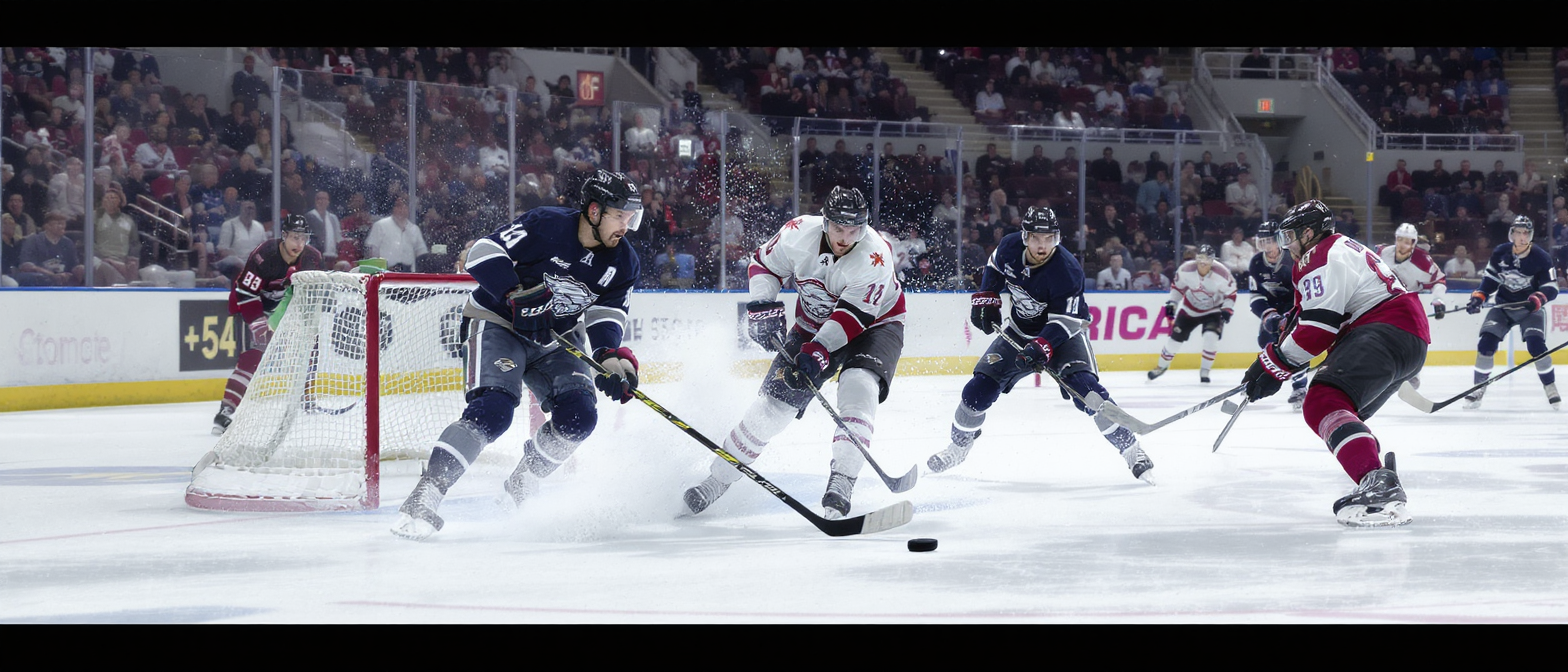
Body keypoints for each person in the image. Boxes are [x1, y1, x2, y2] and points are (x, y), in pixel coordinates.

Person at [391, 170, 644, 541]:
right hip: (498, 322)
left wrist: (609, 359)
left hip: (556, 338)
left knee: (580, 416)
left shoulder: (624, 262)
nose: (627, 225)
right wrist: (516, 294)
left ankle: (523, 480)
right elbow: (482, 253)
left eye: (631, 217)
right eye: (620, 215)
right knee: (492, 411)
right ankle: (427, 493)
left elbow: (606, 315)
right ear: (593, 210)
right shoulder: (546, 224)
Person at [681, 187, 906, 520]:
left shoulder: (875, 255)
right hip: (813, 323)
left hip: (876, 325)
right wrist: (762, 303)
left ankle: (843, 479)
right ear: (825, 221)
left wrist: (818, 350)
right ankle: (717, 480)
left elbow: (854, 317)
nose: (846, 238)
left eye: (855, 229)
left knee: (859, 386)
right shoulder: (798, 232)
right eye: (839, 228)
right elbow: (764, 265)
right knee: (773, 407)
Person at [926, 206, 1154, 483]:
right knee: (976, 392)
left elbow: (1065, 322)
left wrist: (1042, 346)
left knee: (1089, 393)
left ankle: (1132, 450)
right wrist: (986, 297)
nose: (1043, 245)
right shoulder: (1009, 246)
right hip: (1019, 332)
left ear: (1057, 238)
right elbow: (994, 266)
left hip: (1064, 336)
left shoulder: (1068, 270)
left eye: (1049, 238)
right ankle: (958, 448)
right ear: (1025, 237)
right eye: (1036, 238)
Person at [1240, 200, 1428, 527]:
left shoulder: (1320, 255)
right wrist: (1282, 345)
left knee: (1322, 402)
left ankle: (1377, 482)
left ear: (1309, 232)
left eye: (1291, 236)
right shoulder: (1337, 249)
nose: (1287, 245)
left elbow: (1318, 329)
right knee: (1343, 414)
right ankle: (1372, 472)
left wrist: (1273, 366)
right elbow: (1313, 317)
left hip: (1383, 331)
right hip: (1405, 336)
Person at [210, 214, 325, 434]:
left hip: (282, 308)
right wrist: (258, 323)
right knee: (252, 357)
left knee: (312, 342)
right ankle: (224, 413)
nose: (299, 244)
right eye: (294, 237)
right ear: (284, 236)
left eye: (304, 238)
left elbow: (314, 293)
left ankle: (307, 397)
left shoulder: (313, 258)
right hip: (249, 305)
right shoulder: (265, 255)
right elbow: (245, 291)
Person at [1461, 215, 1560, 410]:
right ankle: (1478, 388)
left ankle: (1550, 386)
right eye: (1518, 232)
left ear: (1530, 235)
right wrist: (1479, 297)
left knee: (1536, 346)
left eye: (1526, 233)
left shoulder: (1541, 257)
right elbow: (1490, 280)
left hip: (1530, 309)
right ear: (1511, 234)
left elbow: (1552, 287)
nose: (1522, 237)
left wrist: (1538, 298)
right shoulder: (1500, 252)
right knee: (1486, 344)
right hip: (1503, 307)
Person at [1147, 244, 1237, 383]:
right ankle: (1161, 366)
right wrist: (1172, 303)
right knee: (1174, 340)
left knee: (1211, 337)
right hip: (1190, 309)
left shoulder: (1223, 274)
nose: (1202, 262)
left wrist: (1227, 309)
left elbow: (1231, 293)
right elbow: (1177, 288)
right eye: (1200, 258)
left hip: (1213, 310)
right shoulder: (1185, 270)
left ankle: (1205, 372)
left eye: (1206, 259)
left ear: (1213, 261)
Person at [1246, 220, 1308, 410]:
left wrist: (1293, 313)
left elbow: (1304, 289)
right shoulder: (1257, 262)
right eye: (1262, 242)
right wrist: (1268, 315)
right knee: (1265, 340)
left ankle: (1299, 386)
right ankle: (1259, 379)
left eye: (1269, 241)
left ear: (1279, 241)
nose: (1266, 247)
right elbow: (1255, 296)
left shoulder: (1296, 258)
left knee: (1296, 343)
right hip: (1272, 307)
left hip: (1295, 305)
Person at [1377, 223, 1448, 318]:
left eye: (1406, 241)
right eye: (1399, 239)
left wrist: (1438, 300)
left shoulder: (1423, 262)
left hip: (1407, 307)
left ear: (1413, 243)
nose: (1401, 245)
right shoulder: (1384, 253)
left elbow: (1439, 281)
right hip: (1382, 304)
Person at [16, 212, 84, 286]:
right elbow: (26, 266)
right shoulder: (33, 240)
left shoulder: (68, 242)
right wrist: (52, 275)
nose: (62, 227)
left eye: (63, 224)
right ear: (47, 226)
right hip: (40, 280)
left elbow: (73, 264)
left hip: (63, 279)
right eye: (58, 224)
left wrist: (78, 270)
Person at [363, 197, 428, 272]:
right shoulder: (380, 225)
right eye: (398, 206)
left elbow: (421, 253)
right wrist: (381, 268)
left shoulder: (414, 229)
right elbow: (372, 250)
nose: (402, 209)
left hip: (408, 274)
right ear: (393, 208)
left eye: (405, 207)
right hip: (385, 272)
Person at [304, 191, 342, 267]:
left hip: (331, 256)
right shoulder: (309, 217)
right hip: (315, 257)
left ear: (328, 202)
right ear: (315, 201)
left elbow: (338, 237)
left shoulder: (333, 218)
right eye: (319, 199)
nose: (322, 201)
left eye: (325, 199)